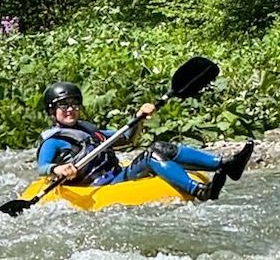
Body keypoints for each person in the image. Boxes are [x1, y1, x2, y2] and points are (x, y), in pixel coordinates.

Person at [35, 81, 254, 201]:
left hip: (116, 176)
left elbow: (128, 139)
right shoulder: (52, 141)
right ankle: (199, 190)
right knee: (152, 157)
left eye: (74, 104)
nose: (70, 109)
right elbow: (42, 167)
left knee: (160, 147)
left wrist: (139, 118)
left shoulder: (90, 130)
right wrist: (58, 169)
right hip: (97, 187)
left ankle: (224, 164)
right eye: (63, 105)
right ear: (52, 111)